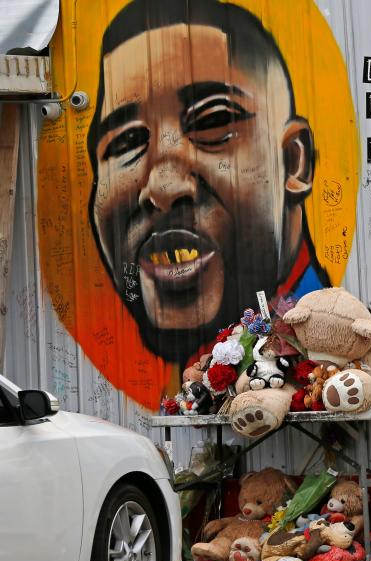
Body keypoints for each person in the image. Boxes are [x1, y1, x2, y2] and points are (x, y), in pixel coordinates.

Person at [85, 0, 328, 363]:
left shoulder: (332, 345)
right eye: (127, 142)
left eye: (213, 122)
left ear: (293, 161)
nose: (164, 188)